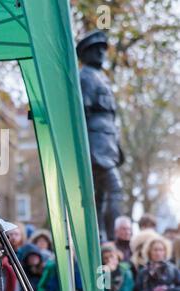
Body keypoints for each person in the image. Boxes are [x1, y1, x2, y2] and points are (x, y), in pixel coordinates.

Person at [77, 30, 125, 242]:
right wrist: (86, 149)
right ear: (85, 53)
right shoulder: (85, 76)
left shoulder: (101, 78)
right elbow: (82, 114)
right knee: (115, 189)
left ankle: (101, 237)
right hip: (95, 144)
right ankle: (111, 237)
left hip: (107, 142)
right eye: (95, 49)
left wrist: (118, 146)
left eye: (102, 49)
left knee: (101, 196)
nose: (100, 53)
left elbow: (111, 118)